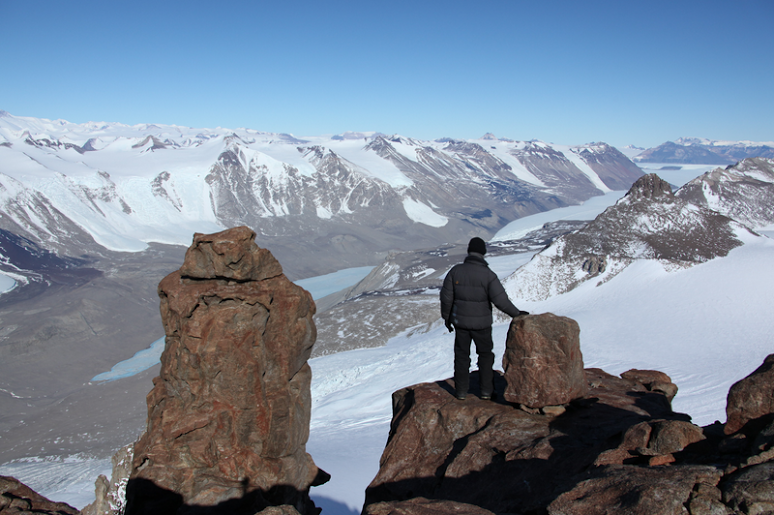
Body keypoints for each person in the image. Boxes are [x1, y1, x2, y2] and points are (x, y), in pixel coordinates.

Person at [440, 237, 528, 400]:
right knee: (485, 355)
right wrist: (517, 314)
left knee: (461, 355)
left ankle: (460, 391)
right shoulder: (488, 275)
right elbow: (501, 301)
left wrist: (447, 318)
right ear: (483, 253)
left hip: (461, 323)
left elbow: (446, 297)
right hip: (482, 325)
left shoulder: (456, 271)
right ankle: (486, 391)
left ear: (469, 251)